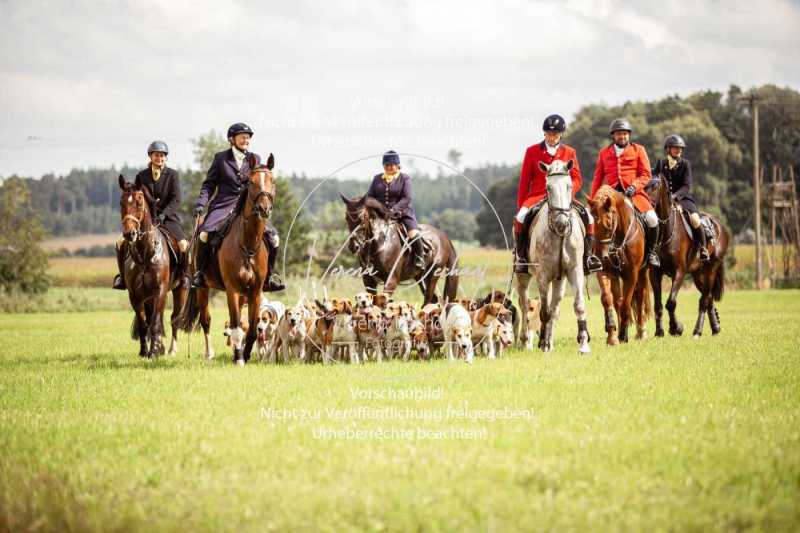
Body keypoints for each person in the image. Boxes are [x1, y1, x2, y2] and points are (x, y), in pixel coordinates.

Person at [191, 122, 284, 291]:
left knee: (274, 238)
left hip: (248, 205)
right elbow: (209, 184)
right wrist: (201, 203)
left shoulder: (254, 158)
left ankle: (270, 276)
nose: (246, 139)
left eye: (248, 137)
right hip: (224, 203)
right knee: (205, 234)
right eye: (242, 137)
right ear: (232, 139)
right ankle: (200, 273)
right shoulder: (221, 158)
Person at [514, 114, 602, 274]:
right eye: (548, 133)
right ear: (544, 133)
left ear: (561, 134)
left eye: (555, 134)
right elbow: (524, 181)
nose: (552, 137)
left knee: (589, 217)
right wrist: (522, 205)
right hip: (537, 195)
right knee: (520, 217)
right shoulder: (532, 151)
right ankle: (521, 258)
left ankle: (588, 257)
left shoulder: (570, 152)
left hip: (564, 198)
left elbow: (577, 178)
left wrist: (567, 192)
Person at [113, 141, 190, 289]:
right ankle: (122, 277)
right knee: (120, 242)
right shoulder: (142, 176)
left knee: (183, 244)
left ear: (165, 158)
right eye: (156, 155)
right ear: (150, 156)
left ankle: (184, 275)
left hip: (168, 218)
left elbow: (176, 199)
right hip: (146, 219)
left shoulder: (173, 175)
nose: (159, 158)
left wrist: (164, 214)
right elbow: (139, 198)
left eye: (162, 156)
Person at [590, 118, 660, 267]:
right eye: (619, 134)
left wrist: (635, 187)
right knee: (592, 220)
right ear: (613, 136)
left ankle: (652, 252)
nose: (622, 136)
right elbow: (597, 178)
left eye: (625, 134)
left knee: (653, 219)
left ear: (629, 135)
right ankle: (591, 255)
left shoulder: (639, 149)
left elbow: (646, 174)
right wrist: (594, 200)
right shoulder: (604, 153)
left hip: (634, 195)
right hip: (611, 196)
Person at [365, 150, 427, 269]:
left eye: (391, 165)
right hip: (380, 214)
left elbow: (407, 197)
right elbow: (369, 197)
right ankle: (367, 260)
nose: (388, 167)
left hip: (402, 213)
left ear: (397, 165)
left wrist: (394, 209)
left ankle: (420, 258)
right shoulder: (377, 178)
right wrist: (379, 207)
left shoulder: (405, 178)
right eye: (386, 165)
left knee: (413, 233)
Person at [653, 134, 710, 262]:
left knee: (695, 219)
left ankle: (703, 248)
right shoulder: (661, 163)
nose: (678, 150)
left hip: (683, 198)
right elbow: (654, 178)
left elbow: (687, 185)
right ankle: (650, 250)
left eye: (680, 148)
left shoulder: (685, 164)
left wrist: (674, 196)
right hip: (662, 201)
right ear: (668, 149)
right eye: (675, 148)